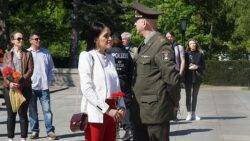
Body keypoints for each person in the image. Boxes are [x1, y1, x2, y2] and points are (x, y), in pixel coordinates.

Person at [131, 2, 180, 141]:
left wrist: (175, 102)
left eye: (136, 20)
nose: (134, 24)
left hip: (155, 113)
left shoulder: (161, 44)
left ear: (144, 23)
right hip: (141, 111)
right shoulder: (145, 43)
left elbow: (172, 79)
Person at [78, 22, 126, 141]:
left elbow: (116, 86)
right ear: (95, 39)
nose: (110, 39)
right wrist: (107, 110)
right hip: (96, 111)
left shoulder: (110, 58)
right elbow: (87, 89)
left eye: (110, 35)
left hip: (113, 111)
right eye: (106, 36)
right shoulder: (87, 56)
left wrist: (121, 106)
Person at [2, 31, 34, 141]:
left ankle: (23, 138)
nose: (21, 40)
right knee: (11, 115)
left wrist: (21, 79)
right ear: (12, 41)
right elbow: (4, 72)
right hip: (10, 88)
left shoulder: (28, 54)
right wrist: (10, 83)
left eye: (22, 38)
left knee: (23, 114)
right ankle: (10, 138)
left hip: (24, 87)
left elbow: (30, 70)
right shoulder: (7, 55)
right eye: (18, 39)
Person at [27, 33, 57, 140]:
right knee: (32, 111)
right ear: (30, 40)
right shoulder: (27, 53)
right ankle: (34, 131)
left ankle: (50, 131)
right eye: (36, 39)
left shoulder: (46, 53)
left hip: (44, 87)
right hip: (31, 88)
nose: (38, 40)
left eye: (39, 38)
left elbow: (51, 69)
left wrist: (48, 81)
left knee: (47, 110)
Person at [107, 33, 134, 140]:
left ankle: (116, 131)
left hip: (113, 83)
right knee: (125, 106)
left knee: (114, 107)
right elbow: (131, 70)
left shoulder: (109, 52)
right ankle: (128, 129)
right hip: (125, 82)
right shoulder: (126, 53)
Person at [166, 31, 185, 121]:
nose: (168, 38)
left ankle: (175, 114)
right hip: (167, 73)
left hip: (176, 72)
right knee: (167, 94)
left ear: (173, 37)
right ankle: (168, 114)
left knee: (176, 94)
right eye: (167, 37)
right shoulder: (164, 47)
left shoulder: (179, 47)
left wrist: (180, 72)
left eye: (170, 36)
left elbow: (182, 60)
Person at [184, 39, 205, 121]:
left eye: (194, 43)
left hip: (197, 77)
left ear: (196, 44)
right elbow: (183, 64)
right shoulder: (186, 54)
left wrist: (197, 67)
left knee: (195, 96)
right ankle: (188, 113)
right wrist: (188, 67)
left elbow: (203, 66)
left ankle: (193, 113)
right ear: (188, 45)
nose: (193, 45)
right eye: (191, 43)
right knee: (188, 96)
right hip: (188, 77)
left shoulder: (200, 54)